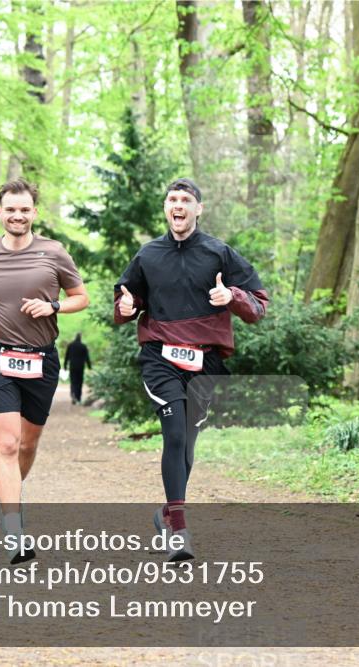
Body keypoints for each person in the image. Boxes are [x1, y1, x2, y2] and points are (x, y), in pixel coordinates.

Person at [114, 177, 269, 561]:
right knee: (175, 435)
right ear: (166, 208)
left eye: (185, 199)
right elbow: (124, 299)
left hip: (206, 360)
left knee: (188, 443)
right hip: (160, 356)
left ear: (198, 209)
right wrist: (125, 307)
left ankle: (167, 514)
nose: (178, 205)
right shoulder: (148, 255)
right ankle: (180, 532)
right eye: (172, 199)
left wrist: (230, 295)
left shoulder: (219, 254)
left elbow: (259, 305)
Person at [0, 178, 89, 564]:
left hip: (42, 359)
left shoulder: (55, 253)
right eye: (10, 209)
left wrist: (54, 307)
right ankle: (15, 531)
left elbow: (81, 297)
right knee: (9, 444)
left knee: (28, 445)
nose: (17, 215)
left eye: (24, 209)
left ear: (34, 212)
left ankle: (10, 496)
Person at [63, 333, 91, 405]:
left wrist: (65, 365)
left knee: (73, 381)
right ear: (80, 338)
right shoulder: (83, 346)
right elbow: (87, 357)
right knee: (79, 382)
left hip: (72, 366)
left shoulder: (70, 345)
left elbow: (66, 356)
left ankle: (73, 394)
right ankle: (78, 397)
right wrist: (89, 366)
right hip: (80, 367)